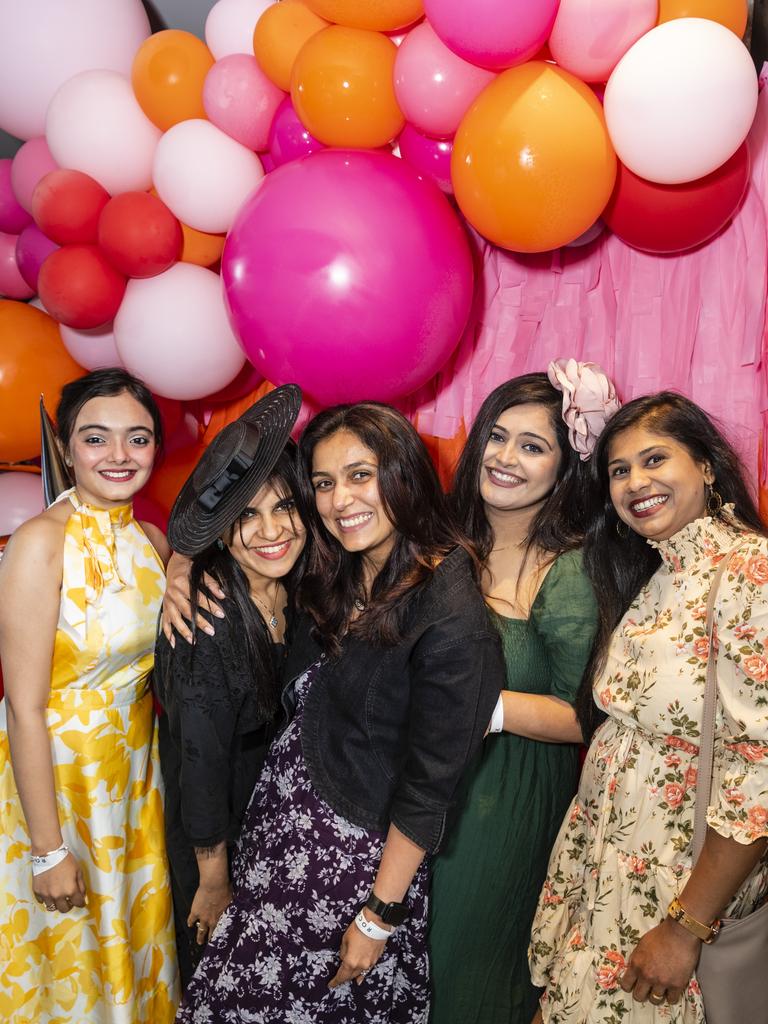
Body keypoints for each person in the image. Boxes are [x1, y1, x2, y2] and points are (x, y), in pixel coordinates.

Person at [166, 400, 505, 1023]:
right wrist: (183, 561)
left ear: (402, 472)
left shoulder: (451, 615)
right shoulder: (340, 565)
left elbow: (429, 790)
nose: (339, 499)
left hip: (345, 863)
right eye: (323, 483)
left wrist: (379, 916)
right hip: (276, 843)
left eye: (360, 474)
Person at [529, 391, 768, 1023]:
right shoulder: (657, 572)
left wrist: (686, 927)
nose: (636, 482)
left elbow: (759, 776)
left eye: (655, 459)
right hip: (609, 869)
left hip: (676, 888)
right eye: (619, 470)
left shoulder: (750, 571)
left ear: (708, 467)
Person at [429, 362, 618, 1024]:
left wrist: (486, 710)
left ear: (562, 469)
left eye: (533, 446)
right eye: (498, 437)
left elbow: (590, 715)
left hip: (501, 810)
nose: (505, 458)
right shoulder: (443, 544)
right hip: (416, 802)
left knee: (464, 982)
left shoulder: (568, 572)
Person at [0, 368, 179, 1023]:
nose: (118, 456)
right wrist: (47, 849)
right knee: (68, 965)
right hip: (58, 783)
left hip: (133, 778)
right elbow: (23, 705)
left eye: (137, 439)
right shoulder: (40, 542)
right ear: (67, 447)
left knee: (127, 954)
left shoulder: (151, 541)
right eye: (96, 438)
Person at [152, 385, 308, 988]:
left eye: (284, 507)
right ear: (220, 533)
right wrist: (214, 878)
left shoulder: (298, 587)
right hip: (215, 830)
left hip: (275, 819)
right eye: (246, 516)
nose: (272, 531)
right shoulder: (206, 619)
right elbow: (200, 759)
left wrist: (180, 559)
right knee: (220, 979)